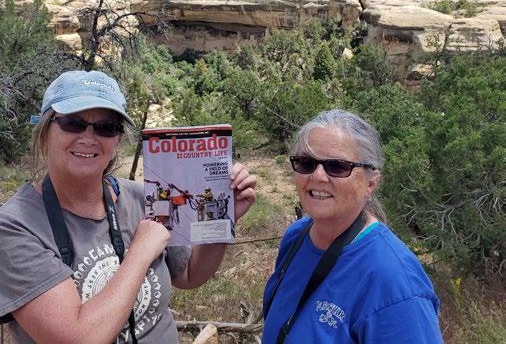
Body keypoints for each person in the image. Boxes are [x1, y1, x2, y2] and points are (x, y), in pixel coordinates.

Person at [0, 70, 256, 344]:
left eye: (106, 127)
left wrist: (222, 221)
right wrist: (140, 251)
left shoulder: (142, 198)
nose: (88, 137)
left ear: (117, 140)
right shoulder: (15, 226)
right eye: (72, 123)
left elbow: (189, 274)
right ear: (44, 132)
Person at [262, 109, 443, 343]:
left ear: (371, 183)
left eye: (337, 166)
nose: (317, 176)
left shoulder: (393, 282)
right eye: (306, 163)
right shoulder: (296, 237)